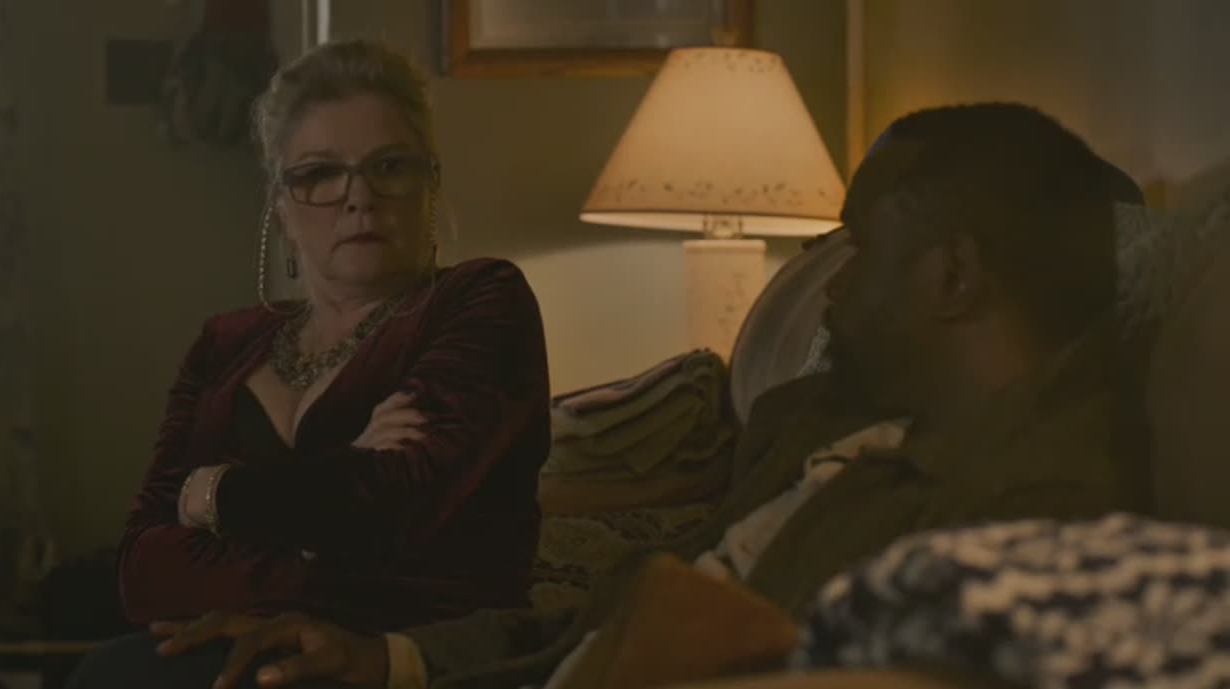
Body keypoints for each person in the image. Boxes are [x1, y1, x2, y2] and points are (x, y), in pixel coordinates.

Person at [70, 103, 1148, 689]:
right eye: (317, 174)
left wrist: (235, 501)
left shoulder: (1021, 513)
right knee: (122, 664)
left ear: (954, 276)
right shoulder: (814, 422)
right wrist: (386, 657)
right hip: (462, 658)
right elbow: (600, 608)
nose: (831, 288)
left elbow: (401, 498)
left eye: (858, 248)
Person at [116, 39, 551, 633]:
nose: (360, 198)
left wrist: (213, 493)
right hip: (206, 652)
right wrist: (330, 517)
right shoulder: (224, 343)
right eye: (320, 173)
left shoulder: (479, 300)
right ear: (281, 204)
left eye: (389, 167)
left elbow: (401, 506)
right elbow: (142, 572)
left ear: (430, 183)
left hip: (408, 659)